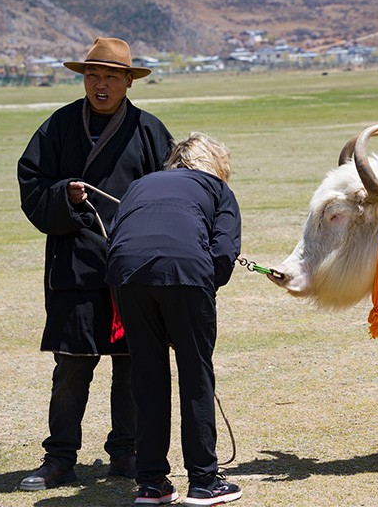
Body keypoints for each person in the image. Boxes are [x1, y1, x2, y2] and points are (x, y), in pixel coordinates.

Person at [17, 37, 173, 491]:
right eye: (92, 76)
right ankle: (60, 457)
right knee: (71, 365)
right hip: (75, 265)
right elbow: (31, 180)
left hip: (131, 266)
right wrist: (63, 193)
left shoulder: (149, 131)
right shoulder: (59, 126)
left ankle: (125, 453)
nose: (100, 85)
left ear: (129, 81)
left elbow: (170, 192)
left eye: (110, 76)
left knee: (132, 362)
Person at [106, 133, 243, 506]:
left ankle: (151, 483)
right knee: (195, 373)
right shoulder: (217, 189)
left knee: (147, 376)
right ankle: (204, 481)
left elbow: (116, 236)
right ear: (217, 164)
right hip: (186, 271)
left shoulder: (139, 185)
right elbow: (224, 253)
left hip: (126, 274)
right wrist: (195, 292)